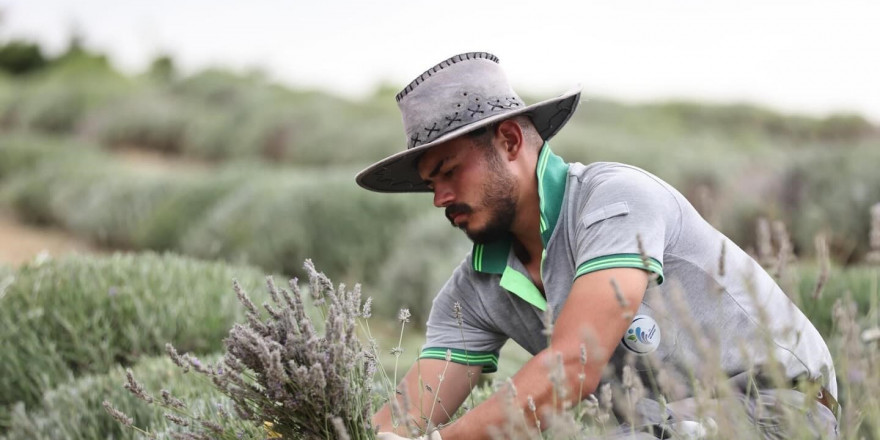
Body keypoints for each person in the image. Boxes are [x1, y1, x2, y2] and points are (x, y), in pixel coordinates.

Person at [355, 52, 838, 440]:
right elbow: (407, 416)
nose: (439, 198)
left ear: (508, 141)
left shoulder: (616, 200)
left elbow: (573, 365)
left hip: (778, 411)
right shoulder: (472, 291)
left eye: (449, 171)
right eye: (429, 184)